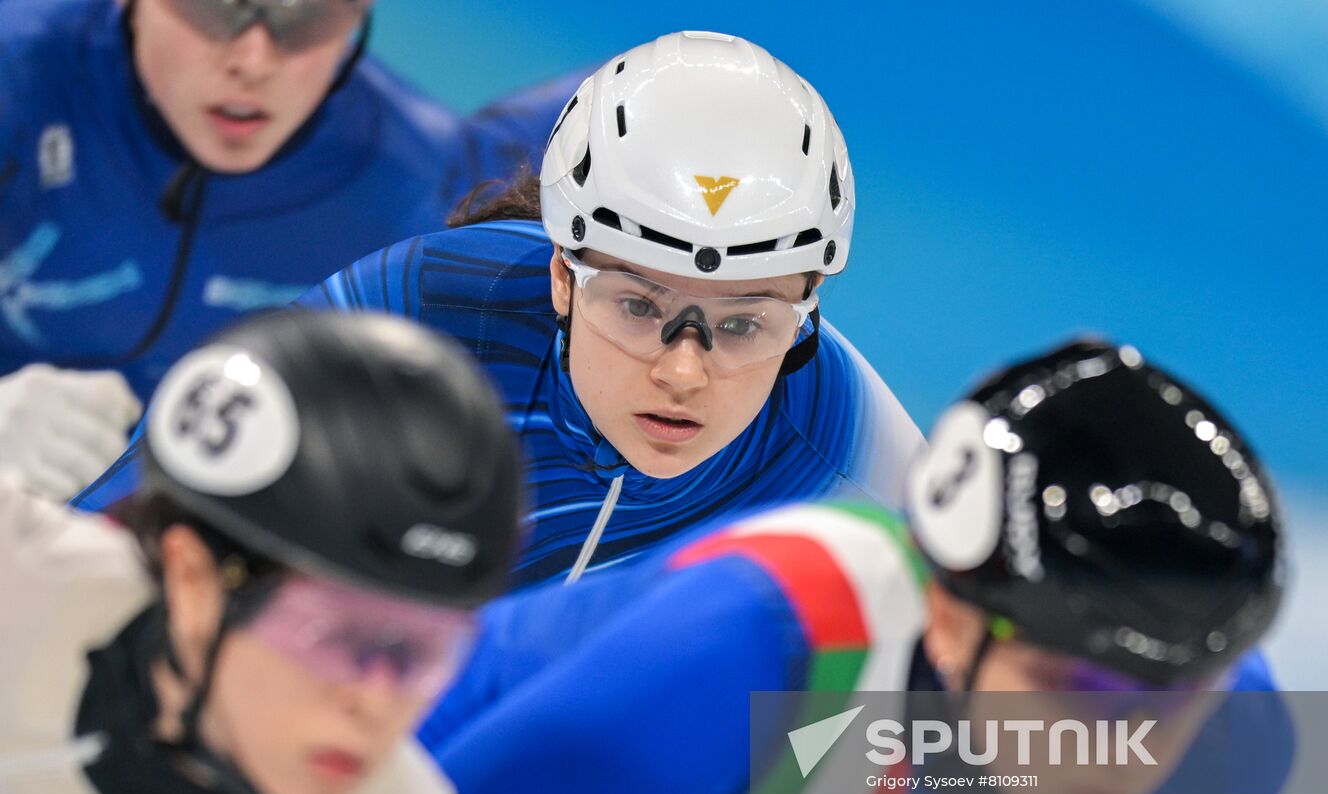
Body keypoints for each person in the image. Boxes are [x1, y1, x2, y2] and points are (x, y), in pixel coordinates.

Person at [417, 338, 1290, 794]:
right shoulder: (754, 645)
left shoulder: (1221, 779)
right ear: (948, 616)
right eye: (1075, 686)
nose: (1120, 750)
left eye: (1176, 699)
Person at [76, 31, 924, 587]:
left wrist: (763, 779)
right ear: (562, 275)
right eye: (636, 305)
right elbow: (113, 547)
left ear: (806, 314)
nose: (682, 369)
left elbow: (1020, 753)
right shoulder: (419, 314)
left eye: (744, 325)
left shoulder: (855, 458)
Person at [0, 310, 521, 794]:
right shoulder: (14, 582)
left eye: (423, 651)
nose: (377, 700)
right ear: (194, 582)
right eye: (332, 636)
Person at [0, 0, 574, 500]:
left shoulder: (416, 181)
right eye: (215, 7)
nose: (252, 62)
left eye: (305, 15)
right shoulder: (15, 78)